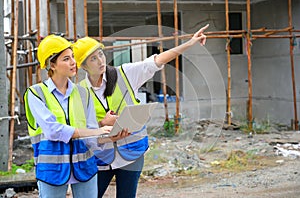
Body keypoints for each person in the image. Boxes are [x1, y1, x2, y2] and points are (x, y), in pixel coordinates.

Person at [72, 24, 209, 198]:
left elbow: (157, 60)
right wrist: (102, 124)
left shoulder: (125, 74)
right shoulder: (80, 92)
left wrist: (189, 43)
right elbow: (81, 129)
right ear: (83, 66)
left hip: (132, 153)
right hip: (101, 158)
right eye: (93, 59)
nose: (100, 61)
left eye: (100, 54)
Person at [23, 34, 113, 198]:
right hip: (52, 170)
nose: (73, 62)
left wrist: (110, 137)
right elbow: (53, 131)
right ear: (52, 65)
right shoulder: (36, 94)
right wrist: (97, 132)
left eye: (72, 57)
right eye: (66, 59)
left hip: (84, 166)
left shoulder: (84, 93)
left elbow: (92, 133)